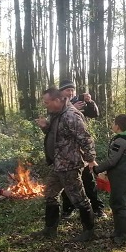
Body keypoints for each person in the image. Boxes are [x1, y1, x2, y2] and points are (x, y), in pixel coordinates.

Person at [33, 87, 98, 241]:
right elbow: (58, 134)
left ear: (57, 100)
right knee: (50, 194)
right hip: (58, 164)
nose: (45, 105)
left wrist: (91, 159)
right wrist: (45, 127)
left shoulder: (71, 115)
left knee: (79, 198)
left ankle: (89, 231)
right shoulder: (56, 114)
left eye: (47, 102)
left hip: (70, 165)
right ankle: (50, 230)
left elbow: (85, 138)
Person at [57, 79, 106, 219]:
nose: (71, 92)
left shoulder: (78, 101)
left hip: (81, 151)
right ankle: (68, 209)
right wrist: (72, 108)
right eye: (67, 90)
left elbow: (94, 114)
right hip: (65, 154)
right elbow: (55, 124)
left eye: (72, 90)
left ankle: (97, 208)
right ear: (61, 92)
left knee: (88, 181)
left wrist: (90, 102)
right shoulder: (57, 105)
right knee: (67, 183)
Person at [93, 114, 126, 246]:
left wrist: (97, 169)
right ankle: (118, 232)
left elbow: (112, 161)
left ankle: (124, 236)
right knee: (115, 203)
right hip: (124, 176)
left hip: (121, 177)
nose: (112, 125)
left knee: (121, 205)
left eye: (113, 123)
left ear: (117, 126)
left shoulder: (120, 141)